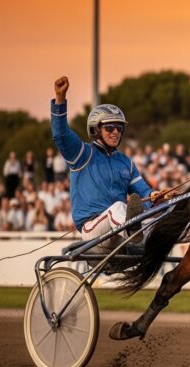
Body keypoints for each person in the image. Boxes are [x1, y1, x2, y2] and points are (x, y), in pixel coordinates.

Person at [51, 76, 154, 247]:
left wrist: (155, 197)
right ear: (95, 129)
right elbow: (60, 135)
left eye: (119, 128)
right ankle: (131, 230)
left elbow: (143, 192)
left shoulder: (125, 162)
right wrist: (60, 99)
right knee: (119, 207)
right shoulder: (82, 154)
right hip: (93, 232)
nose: (116, 132)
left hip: (119, 234)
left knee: (160, 215)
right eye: (109, 128)